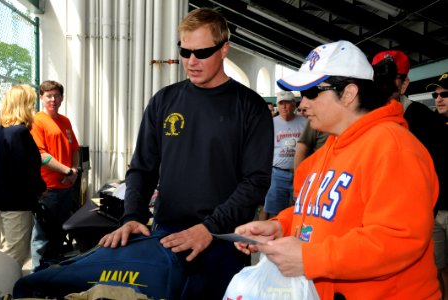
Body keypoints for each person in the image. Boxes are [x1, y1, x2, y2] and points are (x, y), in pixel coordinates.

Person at [234, 40, 441, 299]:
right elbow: (319, 212)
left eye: (311, 93)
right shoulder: (329, 150)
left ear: (348, 93)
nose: (302, 105)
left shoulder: (394, 148)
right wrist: (281, 226)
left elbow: (398, 240)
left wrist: (310, 258)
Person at [98, 7, 273, 299]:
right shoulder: (164, 100)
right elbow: (142, 168)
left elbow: (255, 180)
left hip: (222, 241)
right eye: (185, 51)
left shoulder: (250, 107)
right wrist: (132, 216)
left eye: (202, 53)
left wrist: (209, 228)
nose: (191, 62)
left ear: (224, 49)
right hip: (166, 234)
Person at [372, 52, 448, 298]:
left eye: (391, 78)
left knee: (432, 271)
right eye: (378, 76)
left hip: (418, 215)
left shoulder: (422, 118)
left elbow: (434, 168)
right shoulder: (364, 115)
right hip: (379, 218)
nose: (383, 83)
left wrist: (428, 213)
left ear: (404, 83)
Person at [30, 80, 80, 271]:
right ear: (41, 98)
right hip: (47, 189)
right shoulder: (37, 121)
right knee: (41, 237)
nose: (53, 99)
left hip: (66, 187)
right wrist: (67, 171)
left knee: (59, 234)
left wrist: (73, 171)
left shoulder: (65, 121)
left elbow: (74, 148)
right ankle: (36, 277)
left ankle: (54, 273)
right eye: (49, 96)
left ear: (62, 98)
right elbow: (41, 155)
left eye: (57, 95)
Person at [0, 84, 46, 269]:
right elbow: (25, 170)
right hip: (16, 205)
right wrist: (40, 189)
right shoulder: (20, 132)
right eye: (32, 103)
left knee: (1, 252)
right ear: (24, 105)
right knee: (13, 258)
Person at [260, 91, 306, 220]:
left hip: (300, 173)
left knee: (298, 208)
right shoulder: (270, 123)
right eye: (281, 103)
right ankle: (259, 236)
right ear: (277, 106)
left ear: (294, 105)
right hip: (277, 173)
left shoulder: (305, 122)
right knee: (270, 207)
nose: (284, 107)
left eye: (287, 103)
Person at [426, 71, 448, 299]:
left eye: (445, 94)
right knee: (436, 268)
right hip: (434, 211)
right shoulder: (431, 125)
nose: (438, 98)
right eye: (435, 94)